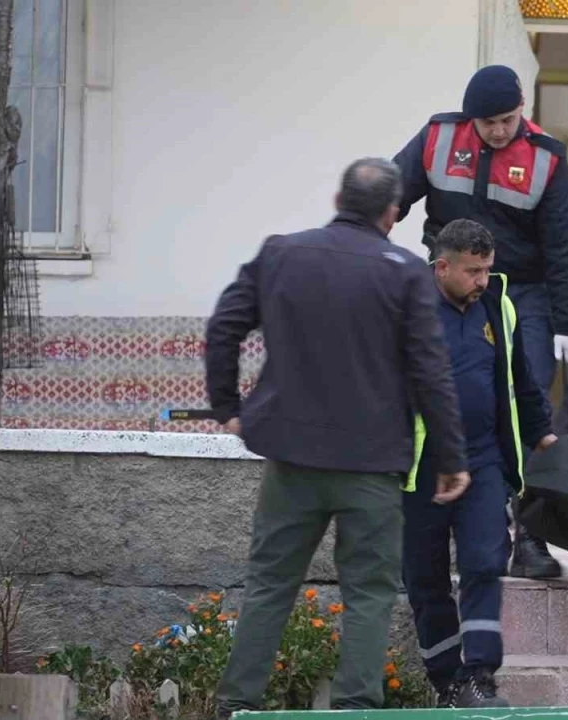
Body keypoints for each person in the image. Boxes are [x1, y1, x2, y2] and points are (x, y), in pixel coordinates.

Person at [204, 158, 470, 716]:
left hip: (291, 461)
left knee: (270, 584)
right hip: (372, 466)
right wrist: (450, 456)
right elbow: (430, 372)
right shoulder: (404, 273)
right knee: (369, 593)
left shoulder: (282, 253)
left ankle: (236, 705)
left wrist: (228, 407)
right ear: (392, 213)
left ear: (337, 200)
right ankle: (354, 709)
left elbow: (224, 326)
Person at [392, 64, 568, 579]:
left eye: (506, 120)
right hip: (447, 284)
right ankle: (452, 521)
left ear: (523, 108)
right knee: (441, 392)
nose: (498, 131)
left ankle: (532, 539)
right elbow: (391, 197)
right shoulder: (439, 137)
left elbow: (565, 245)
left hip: (522, 291)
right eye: (487, 123)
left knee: (527, 406)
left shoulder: (545, 157)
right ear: (469, 117)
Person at [402, 218, 556, 708]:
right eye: (473, 271)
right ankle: (447, 681)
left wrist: (541, 433)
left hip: (485, 459)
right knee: (424, 577)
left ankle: (480, 675)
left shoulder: (497, 305)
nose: (482, 280)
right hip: (421, 467)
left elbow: (520, 376)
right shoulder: (409, 307)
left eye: (487, 269)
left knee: (484, 563)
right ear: (441, 267)